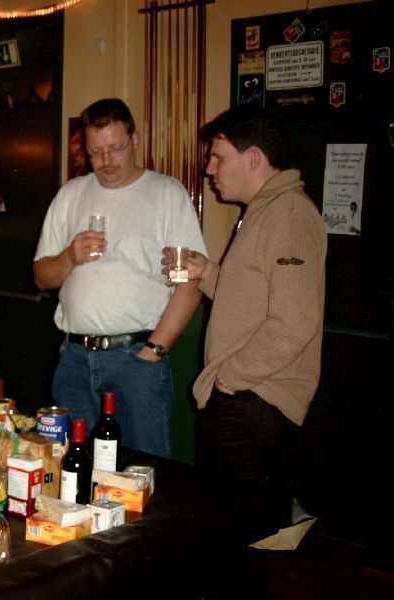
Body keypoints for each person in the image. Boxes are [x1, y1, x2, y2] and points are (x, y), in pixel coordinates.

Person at [164, 105, 327, 540]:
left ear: (253, 158)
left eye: (218, 157)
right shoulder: (263, 211)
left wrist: (229, 380)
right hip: (244, 398)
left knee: (244, 536)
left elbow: (294, 324)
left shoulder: (288, 214)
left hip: (253, 400)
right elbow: (252, 299)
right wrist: (206, 272)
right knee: (239, 529)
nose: (209, 168)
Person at [33, 98, 206, 459]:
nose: (106, 161)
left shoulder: (166, 195)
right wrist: (70, 257)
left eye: (115, 148)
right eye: (96, 152)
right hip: (74, 358)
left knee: (140, 469)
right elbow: (42, 277)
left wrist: (154, 351)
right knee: (69, 465)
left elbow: (188, 284)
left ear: (135, 140)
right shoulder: (70, 195)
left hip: (135, 360)